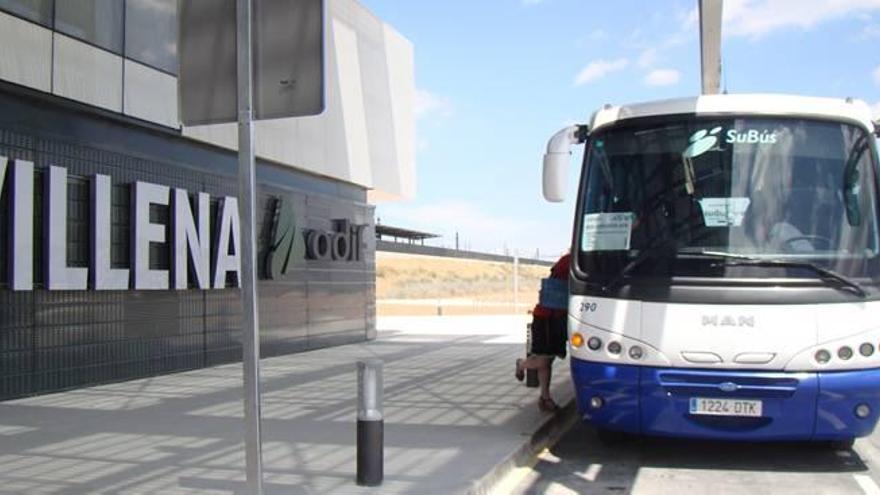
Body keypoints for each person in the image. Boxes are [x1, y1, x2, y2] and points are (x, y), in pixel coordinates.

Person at [515, 252, 570, 413]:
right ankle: (521, 364)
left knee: (548, 362)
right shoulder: (569, 261)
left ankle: (545, 398)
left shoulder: (569, 260)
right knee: (543, 361)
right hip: (546, 318)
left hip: (557, 318)